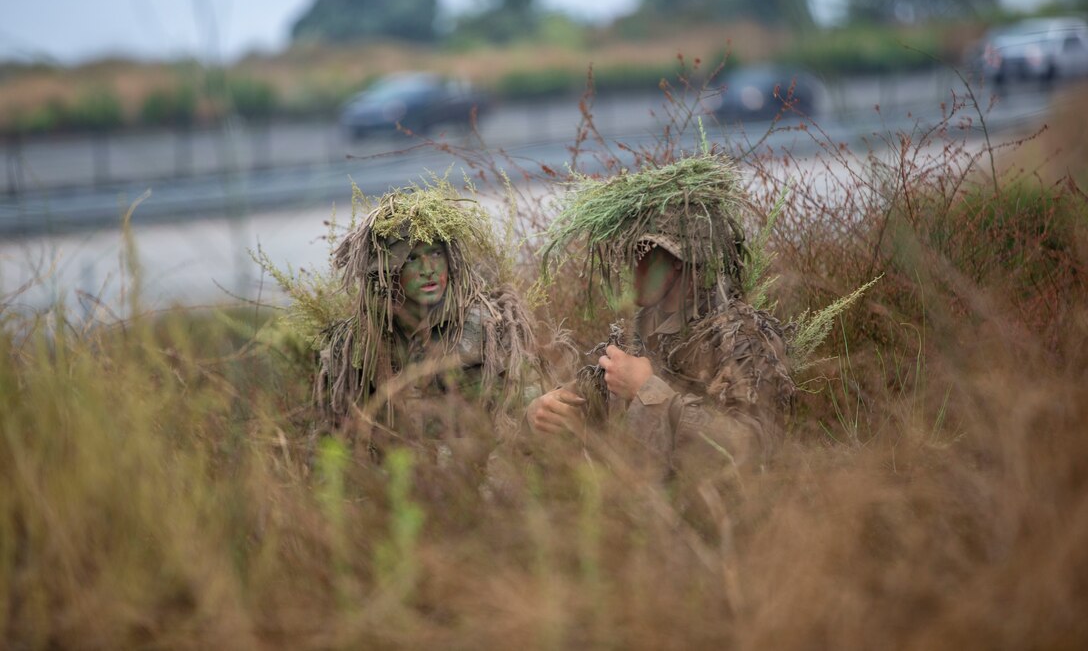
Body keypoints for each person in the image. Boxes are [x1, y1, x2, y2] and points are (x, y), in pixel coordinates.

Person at [527, 154, 795, 483]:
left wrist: (650, 390)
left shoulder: (737, 337)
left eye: (641, 255)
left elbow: (753, 449)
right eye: (623, 255)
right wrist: (545, 410)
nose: (628, 268)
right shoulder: (635, 333)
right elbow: (586, 400)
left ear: (679, 260)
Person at [310, 180, 539, 471]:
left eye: (435, 254)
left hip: (477, 482)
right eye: (413, 259)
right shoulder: (355, 346)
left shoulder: (491, 326)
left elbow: (522, 410)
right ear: (387, 272)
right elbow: (333, 442)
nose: (429, 269)